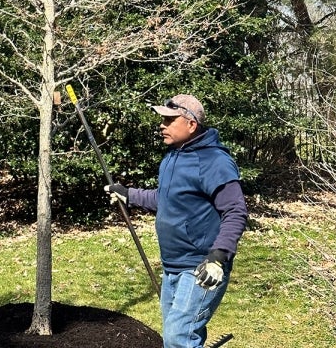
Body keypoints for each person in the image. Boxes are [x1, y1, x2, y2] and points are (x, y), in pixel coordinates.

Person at [104, 93, 247, 348]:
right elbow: (165, 198)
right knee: (180, 335)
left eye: (169, 120)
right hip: (171, 265)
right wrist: (129, 195)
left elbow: (235, 211)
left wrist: (218, 257)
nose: (162, 125)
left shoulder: (214, 161)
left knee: (178, 338)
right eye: (162, 119)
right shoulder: (172, 157)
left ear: (191, 125)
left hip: (201, 267)